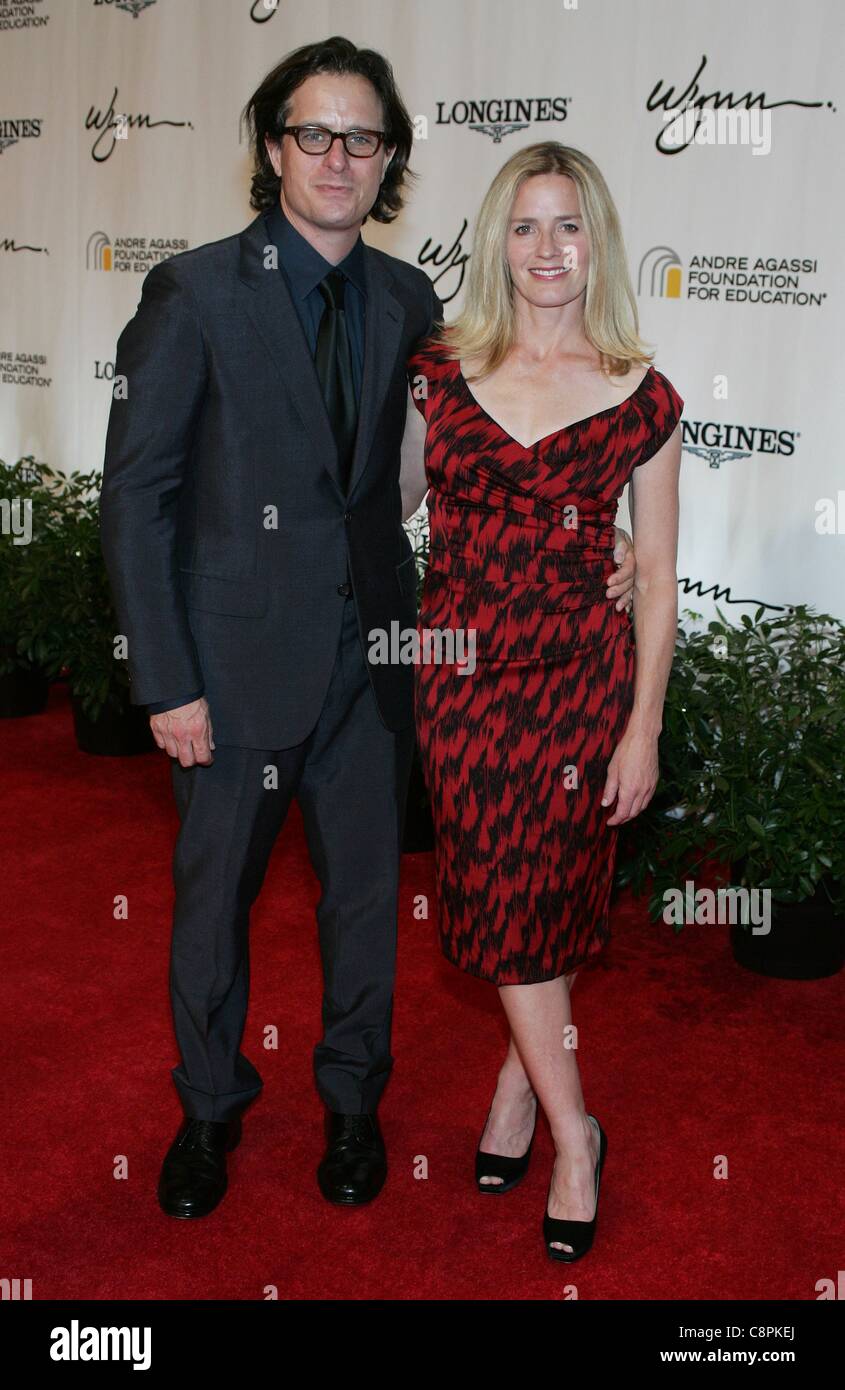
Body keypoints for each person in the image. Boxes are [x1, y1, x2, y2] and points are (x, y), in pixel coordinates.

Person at [99, 34, 637, 1221]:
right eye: (314, 132)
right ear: (272, 145)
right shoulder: (191, 294)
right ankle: (207, 1110)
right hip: (230, 671)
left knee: (361, 901)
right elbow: (135, 497)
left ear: (388, 156)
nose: (339, 158)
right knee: (212, 903)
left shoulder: (408, 299)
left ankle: (352, 1105)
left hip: (384, 660)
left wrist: (597, 543)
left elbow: (454, 466)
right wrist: (166, 681)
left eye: (364, 137)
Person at [401, 142, 682, 1261]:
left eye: (567, 225)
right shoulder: (438, 374)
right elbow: (378, 509)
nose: (546, 248)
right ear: (494, 240)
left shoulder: (639, 393)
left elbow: (656, 575)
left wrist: (642, 727)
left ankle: (529, 1104)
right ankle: (580, 1131)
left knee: (553, 898)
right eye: (525, 226)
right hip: (462, 687)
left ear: (595, 241)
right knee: (502, 906)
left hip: (583, 687)